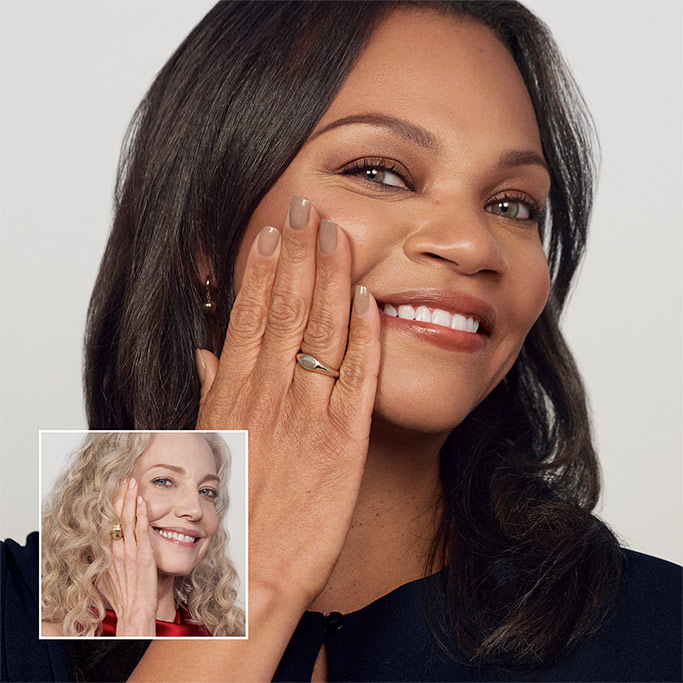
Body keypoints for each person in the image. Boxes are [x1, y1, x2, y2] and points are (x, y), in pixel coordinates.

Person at [1, 1, 679, 681]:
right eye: (378, 172)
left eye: (511, 205)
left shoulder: (658, 634)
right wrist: (253, 575)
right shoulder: (18, 618)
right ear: (203, 236)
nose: (474, 244)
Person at [40, 431, 244, 638]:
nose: (195, 510)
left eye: (207, 491)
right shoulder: (48, 638)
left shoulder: (229, 639)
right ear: (104, 496)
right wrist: (137, 615)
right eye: (164, 481)